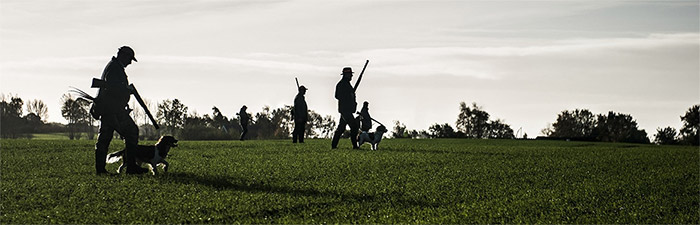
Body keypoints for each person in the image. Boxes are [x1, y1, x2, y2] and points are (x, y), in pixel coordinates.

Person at [94, 46, 148, 175]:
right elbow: (114, 88)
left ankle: (101, 170)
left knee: (104, 139)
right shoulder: (115, 68)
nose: (130, 62)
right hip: (113, 110)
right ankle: (131, 167)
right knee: (132, 132)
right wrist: (127, 90)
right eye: (129, 59)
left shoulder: (114, 67)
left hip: (110, 109)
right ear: (123, 56)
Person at [331, 67, 359, 149]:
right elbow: (337, 96)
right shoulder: (341, 84)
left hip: (346, 110)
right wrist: (348, 96)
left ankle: (334, 145)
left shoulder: (347, 84)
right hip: (345, 110)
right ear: (345, 75)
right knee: (354, 127)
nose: (351, 76)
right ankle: (355, 146)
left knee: (341, 128)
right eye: (349, 74)